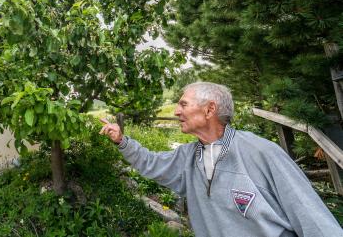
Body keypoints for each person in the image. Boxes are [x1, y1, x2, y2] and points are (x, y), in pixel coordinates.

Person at [100, 82, 343, 237]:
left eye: (183, 104)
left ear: (209, 110)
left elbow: (314, 220)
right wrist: (123, 141)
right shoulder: (188, 157)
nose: (176, 111)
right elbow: (152, 164)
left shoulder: (262, 153)